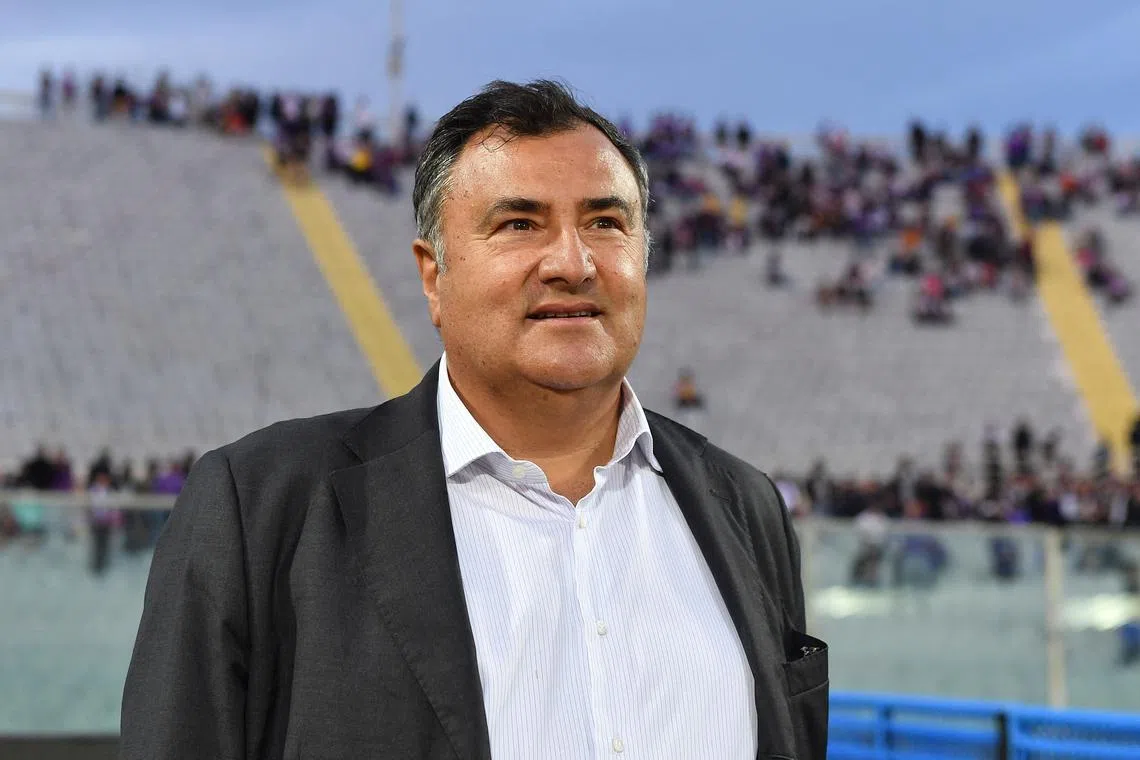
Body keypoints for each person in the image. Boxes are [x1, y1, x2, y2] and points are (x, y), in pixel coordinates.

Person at [121, 80, 827, 760]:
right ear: (434, 275)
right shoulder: (261, 508)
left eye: (605, 223)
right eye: (519, 223)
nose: (572, 263)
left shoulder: (744, 506)